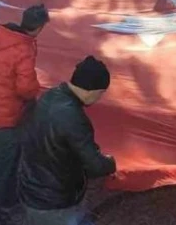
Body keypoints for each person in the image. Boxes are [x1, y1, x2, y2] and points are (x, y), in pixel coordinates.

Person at [19, 56, 116, 225]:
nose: (99, 98)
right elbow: (95, 165)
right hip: (55, 201)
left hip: (32, 188)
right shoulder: (73, 117)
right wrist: (111, 163)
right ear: (91, 90)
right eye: (101, 93)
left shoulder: (50, 96)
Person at [0, 4, 50, 225]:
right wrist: (36, 88)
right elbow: (25, 88)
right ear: (39, 27)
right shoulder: (23, 50)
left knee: (9, 160)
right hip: (8, 116)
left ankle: (9, 200)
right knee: (2, 168)